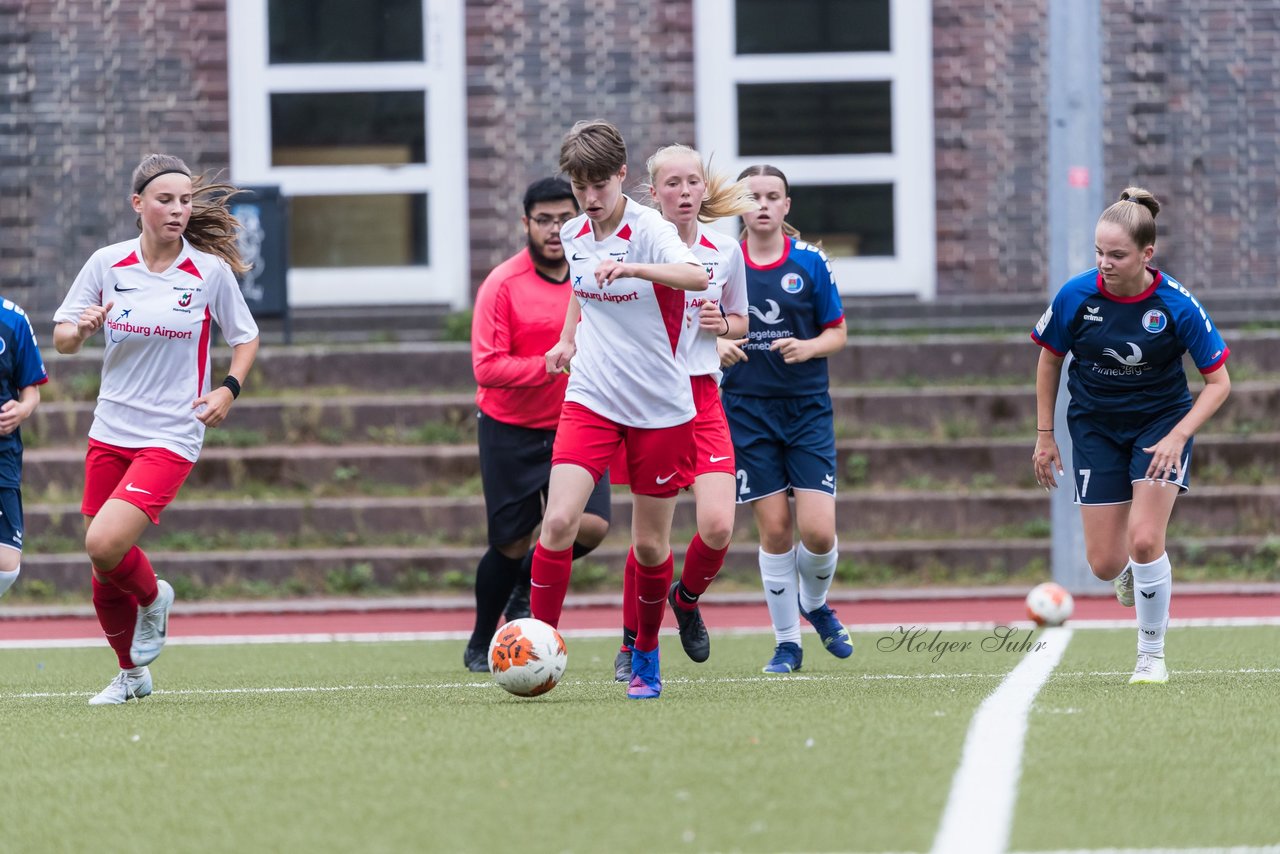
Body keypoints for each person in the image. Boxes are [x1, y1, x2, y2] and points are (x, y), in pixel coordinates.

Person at [53, 153, 260, 705]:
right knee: (102, 564)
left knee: (103, 542)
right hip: (111, 427)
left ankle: (154, 597)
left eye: (185, 200)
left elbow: (245, 338)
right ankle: (131, 675)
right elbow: (62, 339)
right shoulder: (107, 264)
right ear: (138, 205)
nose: (177, 210)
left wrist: (227, 389)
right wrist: (82, 326)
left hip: (172, 432)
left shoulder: (208, 273)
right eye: (165, 200)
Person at [535, 119, 707, 700]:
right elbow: (583, 294)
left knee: (652, 547)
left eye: (599, 183)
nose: (590, 196)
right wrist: (566, 339)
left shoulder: (650, 227)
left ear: (622, 176)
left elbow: (695, 274)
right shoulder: (576, 232)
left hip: (660, 404)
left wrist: (634, 266)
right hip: (593, 396)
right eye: (580, 185)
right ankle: (538, 645)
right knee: (557, 522)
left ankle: (647, 652)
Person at [1031, 187, 1230, 685]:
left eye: (1117, 255)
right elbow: (1050, 358)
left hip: (1160, 425)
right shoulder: (1077, 295)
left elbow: (1219, 383)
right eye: (1099, 252)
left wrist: (1178, 436)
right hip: (1095, 426)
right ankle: (1134, 573)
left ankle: (1151, 656)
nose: (1105, 263)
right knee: (1103, 565)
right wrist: (1044, 434)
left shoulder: (1176, 305)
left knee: (1145, 541)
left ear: (1147, 254)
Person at [611, 144, 754, 681]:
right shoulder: (637, 249)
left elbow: (740, 319)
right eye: (673, 183)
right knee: (649, 536)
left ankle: (686, 600)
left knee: (718, 526)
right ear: (654, 193)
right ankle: (632, 643)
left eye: (693, 182)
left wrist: (724, 328)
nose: (686, 192)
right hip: (650, 398)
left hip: (702, 397)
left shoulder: (725, 250)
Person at [462, 177, 613, 672]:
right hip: (510, 428)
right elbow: (486, 368)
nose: (554, 230)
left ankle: (525, 595)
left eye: (563, 219)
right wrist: (552, 364)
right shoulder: (502, 284)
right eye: (543, 220)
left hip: (582, 420)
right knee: (509, 543)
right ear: (525, 224)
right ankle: (483, 638)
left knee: (589, 526)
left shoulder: (596, 275)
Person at [718, 164, 853, 674]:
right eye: (753, 197)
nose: (763, 205)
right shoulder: (725, 263)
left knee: (817, 533)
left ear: (787, 205)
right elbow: (701, 325)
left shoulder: (811, 263)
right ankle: (787, 643)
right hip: (747, 411)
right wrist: (721, 344)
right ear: (739, 205)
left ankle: (814, 604)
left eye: (773, 196)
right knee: (774, 529)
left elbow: (837, 333)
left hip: (806, 409)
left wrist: (809, 346)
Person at [0, 299, 49, 600]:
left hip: (3, 454)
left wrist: (23, 409)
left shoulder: (13, 318)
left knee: (6, 567)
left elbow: (31, 390)